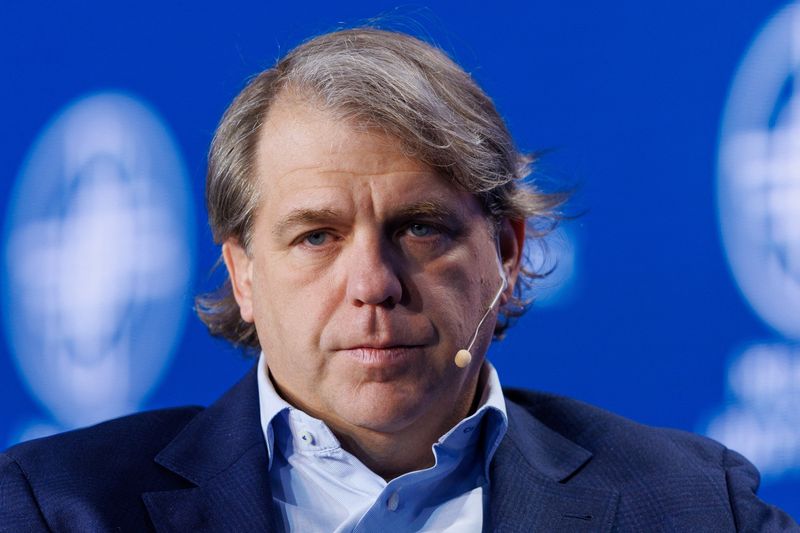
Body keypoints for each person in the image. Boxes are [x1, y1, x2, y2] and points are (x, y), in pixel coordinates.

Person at [1, 28, 797, 532]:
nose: (373, 283)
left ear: (509, 252)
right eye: (316, 235)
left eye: (420, 227)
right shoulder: (57, 508)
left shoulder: (695, 507)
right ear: (243, 274)